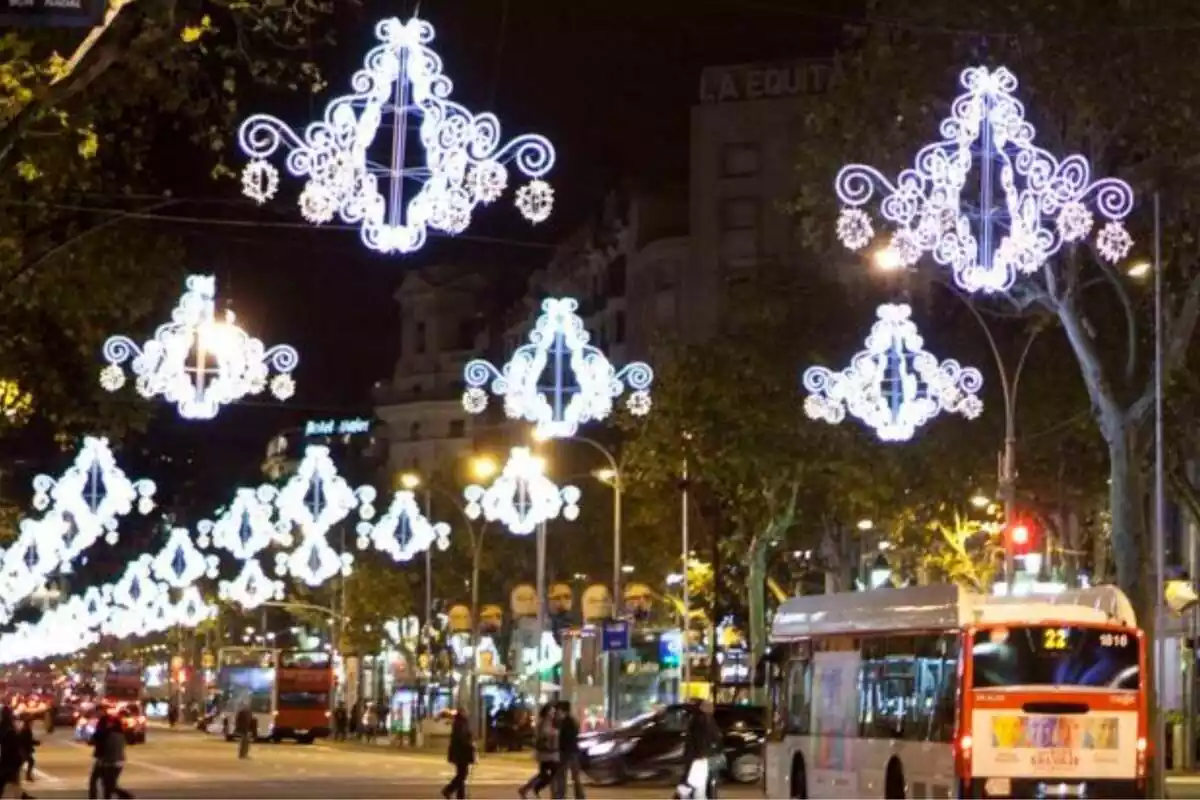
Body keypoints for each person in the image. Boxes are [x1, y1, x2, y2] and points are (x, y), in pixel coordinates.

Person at [678, 700, 722, 800]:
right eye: (710, 706)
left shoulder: (698, 719)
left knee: (694, 780)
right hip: (699, 756)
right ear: (703, 708)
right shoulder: (704, 719)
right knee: (697, 782)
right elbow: (705, 738)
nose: (712, 709)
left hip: (697, 755)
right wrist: (704, 753)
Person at [518, 704, 559, 800]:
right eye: (551, 711)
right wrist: (554, 733)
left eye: (553, 711)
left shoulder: (550, 722)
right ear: (546, 712)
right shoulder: (542, 722)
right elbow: (543, 735)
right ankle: (533, 789)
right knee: (548, 773)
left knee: (545, 774)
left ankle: (526, 789)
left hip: (550, 753)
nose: (553, 713)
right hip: (545, 753)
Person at [553, 701, 585, 799]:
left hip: (566, 752)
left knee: (562, 775)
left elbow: (565, 737)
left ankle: (561, 796)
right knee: (574, 776)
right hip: (573, 751)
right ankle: (579, 796)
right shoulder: (572, 720)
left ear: (562, 710)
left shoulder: (565, 721)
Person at [98, 710, 132, 799]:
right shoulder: (121, 735)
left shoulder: (109, 735)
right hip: (118, 762)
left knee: (108, 785)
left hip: (109, 762)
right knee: (109, 784)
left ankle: (126, 796)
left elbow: (106, 748)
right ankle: (123, 796)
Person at [441, 708, 474, 799]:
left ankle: (460, 795)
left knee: (461, 774)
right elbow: (463, 738)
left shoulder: (459, 722)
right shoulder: (461, 723)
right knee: (462, 774)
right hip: (462, 753)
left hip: (459, 752)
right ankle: (449, 790)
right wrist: (470, 745)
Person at [0, 707, 25, 799]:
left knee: (11, 783)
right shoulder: (10, 729)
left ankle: (22, 796)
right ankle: (22, 796)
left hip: (7, 762)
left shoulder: (5, 728)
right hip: (10, 762)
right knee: (13, 782)